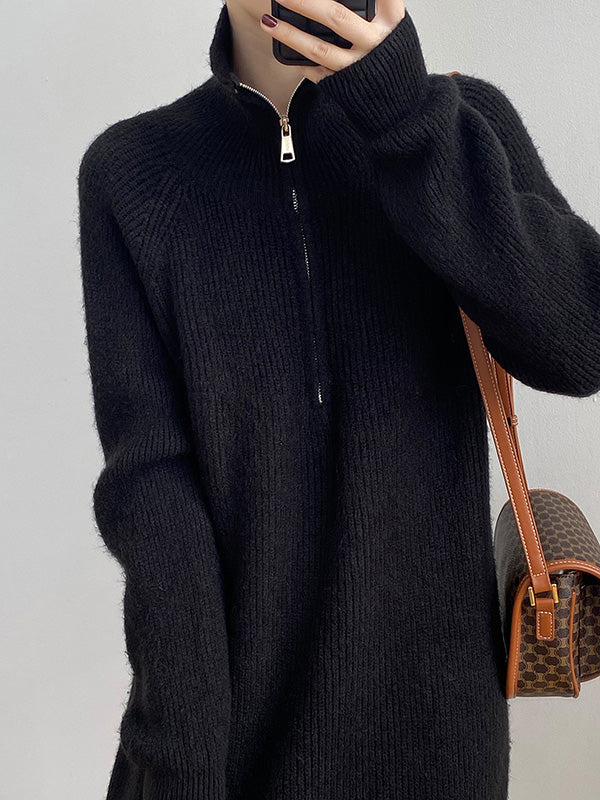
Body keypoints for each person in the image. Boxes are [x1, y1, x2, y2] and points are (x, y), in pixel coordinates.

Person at [77, 1, 600, 798]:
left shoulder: (457, 124)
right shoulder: (134, 173)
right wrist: (177, 759)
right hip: (225, 750)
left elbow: (579, 345)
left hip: (439, 750)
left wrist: (405, 117)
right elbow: (151, 490)